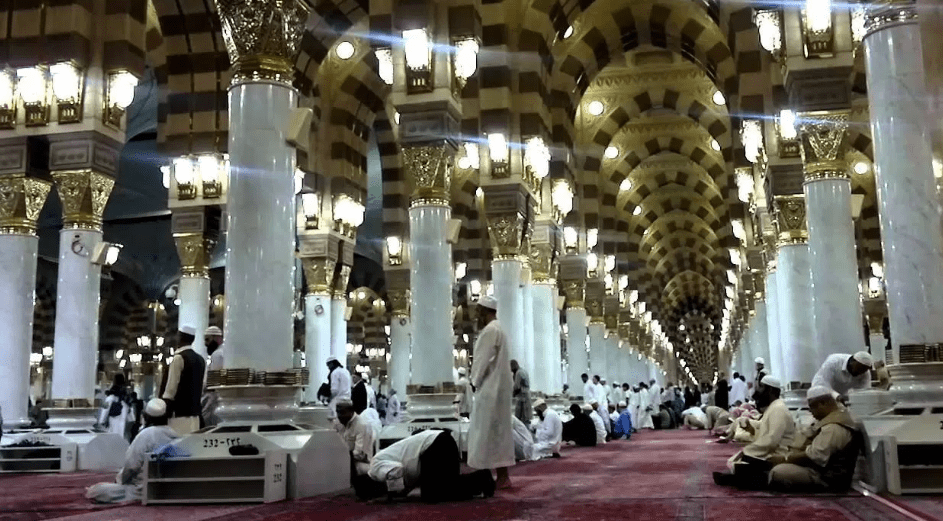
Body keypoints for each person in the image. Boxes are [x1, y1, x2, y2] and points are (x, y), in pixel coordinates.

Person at [354, 429, 496, 502]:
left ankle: (482, 479)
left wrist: (389, 497)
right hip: (442, 442)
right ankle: (481, 479)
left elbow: (397, 470)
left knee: (432, 495)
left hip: (433, 447)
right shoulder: (379, 461)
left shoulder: (375, 469)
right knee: (447, 486)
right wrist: (402, 492)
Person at [768, 386, 864, 492]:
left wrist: (785, 458)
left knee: (777, 472)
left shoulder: (833, 427)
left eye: (812, 407)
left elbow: (814, 457)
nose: (811, 412)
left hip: (828, 478)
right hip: (820, 470)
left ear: (822, 404)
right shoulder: (830, 419)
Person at [85, 399, 179, 503]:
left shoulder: (146, 435)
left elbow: (131, 465)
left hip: (143, 490)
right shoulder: (174, 434)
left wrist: (120, 480)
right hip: (169, 488)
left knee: (98, 490)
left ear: (146, 417)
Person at [715, 376, 797, 489]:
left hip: (778, 456)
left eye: (762, 387)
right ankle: (741, 477)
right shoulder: (773, 407)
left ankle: (742, 478)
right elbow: (766, 435)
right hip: (770, 452)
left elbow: (771, 441)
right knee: (741, 461)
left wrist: (747, 451)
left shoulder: (778, 409)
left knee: (744, 459)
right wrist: (752, 430)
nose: (758, 391)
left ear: (771, 390)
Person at [467, 295, 515, 489]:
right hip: (499, 389)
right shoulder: (500, 329)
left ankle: (488, 476)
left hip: (489, 388)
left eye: (478, 311)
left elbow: (482, 359)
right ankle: (500, 476)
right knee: (497, 433)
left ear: (486, 311)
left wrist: (474, 381)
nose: (476, 316)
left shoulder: (490, 331)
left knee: (485, 433)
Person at [162, 325, 206, 434]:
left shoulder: (179, 358)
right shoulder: (201, 360)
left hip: (178, 415)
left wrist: (164, 409)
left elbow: (171, 389)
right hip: (195, 415)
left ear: (180, 337)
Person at [334, 399, 375, 477]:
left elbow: (360, 455)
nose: (339, 416)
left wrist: (339, 456)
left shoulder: (362, 425)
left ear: (351, 411)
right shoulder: (338, 423)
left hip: (361, 464)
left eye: (342, 412)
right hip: (344, 460)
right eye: (337, 412)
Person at [99, 374, 129, 440]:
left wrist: (101, 422)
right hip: (123, 431)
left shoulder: (110, 398)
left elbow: (104, 412)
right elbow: (129, 417)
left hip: (112, 428)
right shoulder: (125, 400)